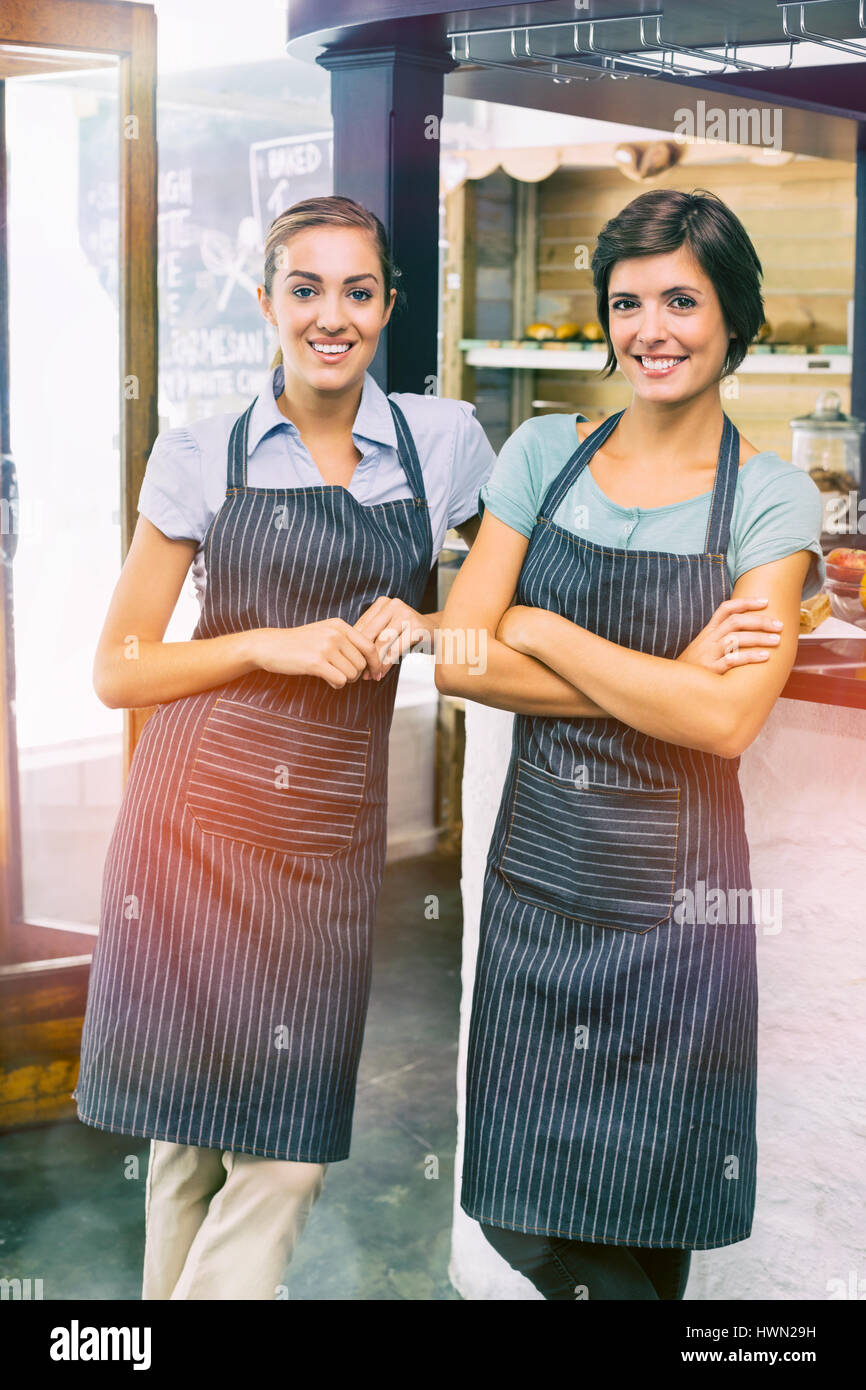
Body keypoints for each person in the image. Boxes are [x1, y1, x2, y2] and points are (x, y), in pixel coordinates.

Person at [73, 194, 497, 1300]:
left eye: (357, 291)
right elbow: (121, 667)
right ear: (266, 302)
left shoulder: (441, 444)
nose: (331, 315)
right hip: (195, 819)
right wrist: (268, 643)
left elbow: (505, 610)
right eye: (304, 289)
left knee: (286, 1152)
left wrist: (432, 621)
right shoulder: (202, 451)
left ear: (388, 306)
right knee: (185, 1144)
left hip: (324, 834)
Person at [436, 187, 825, 1300]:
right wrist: (657, 676)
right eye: (624, 302)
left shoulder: (768, 496)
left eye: (678, 300)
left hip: (675, 930)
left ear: (732, 317)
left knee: (653, 1234)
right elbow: (461, 658)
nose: (647, 328)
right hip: (536, 904)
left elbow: (722, 718)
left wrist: (542, 625)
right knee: (532, 1224)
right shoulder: (540, 453)